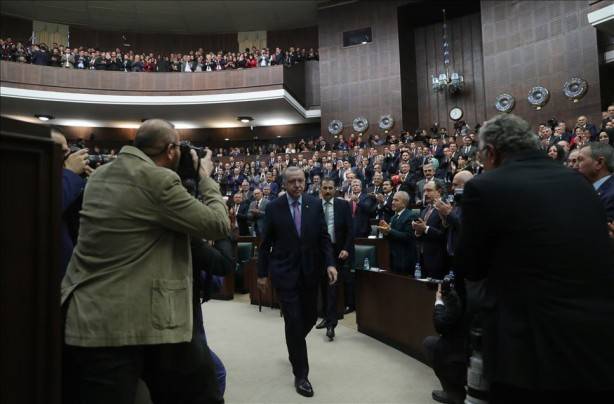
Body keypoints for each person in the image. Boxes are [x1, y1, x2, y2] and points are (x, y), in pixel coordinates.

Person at [61, 119, 230, 404]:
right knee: (202, 391)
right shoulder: (157, 180)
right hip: (130, 322)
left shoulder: (101, 175)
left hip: (89, 315)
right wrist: (205, 177)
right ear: (171, 150)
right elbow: (217, 224)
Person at [456, 114, 614, 403]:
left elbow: (471, 266)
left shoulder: (485, 187)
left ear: (491, 152)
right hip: (595, 339)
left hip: (526, 347)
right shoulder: (578, 182)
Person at [257, 166, 338, 398]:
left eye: (300, 181)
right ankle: (301, 374)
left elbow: (324, 237)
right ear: (284, 184)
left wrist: (330, 263)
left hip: (311, 272)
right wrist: (262, 274)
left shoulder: (314, 204)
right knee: (293, 320)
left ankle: (293, 344)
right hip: (285, 273)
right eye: (292, 181)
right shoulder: (274, 208)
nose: (297, 185)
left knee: (311, 316)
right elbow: (265, 244)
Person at [315, 177, 353, 341]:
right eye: (325, 188)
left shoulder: (343, 205)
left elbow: (351, 230)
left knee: (332, 285)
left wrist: (346, 248)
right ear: (320, 189)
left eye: (331, 188)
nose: (328, 191)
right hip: (319, 251)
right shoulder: (314, 205)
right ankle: (326, 316)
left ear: (335, 189)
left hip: (337, 250)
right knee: (323, 285)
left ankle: (331, 324)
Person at [413, 181, 447, 279]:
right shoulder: (425, 210)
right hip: (423, 258)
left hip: (438, 259)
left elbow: (444, 235)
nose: (425, 194)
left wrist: (425, 228)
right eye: (424, 191)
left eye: (429, 190)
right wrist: (417, 231)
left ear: (439, 191)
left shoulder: (445, 208)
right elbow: (421, 233)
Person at [377, 191, 417, 275]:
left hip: (405, 258)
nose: (392, 202)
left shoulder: (411, 216)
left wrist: (389, 230)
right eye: (392, 200)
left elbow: (408, 237)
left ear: (404, 203)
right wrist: (385, 232)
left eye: (396, 200)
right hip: (393, 257)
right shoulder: (393, 217)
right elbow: (391, 236)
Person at [577, 143, 614, 220]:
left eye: (580, 159)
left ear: (599, 163)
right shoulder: (587, 189)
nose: (576, 165)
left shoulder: (611, 196)